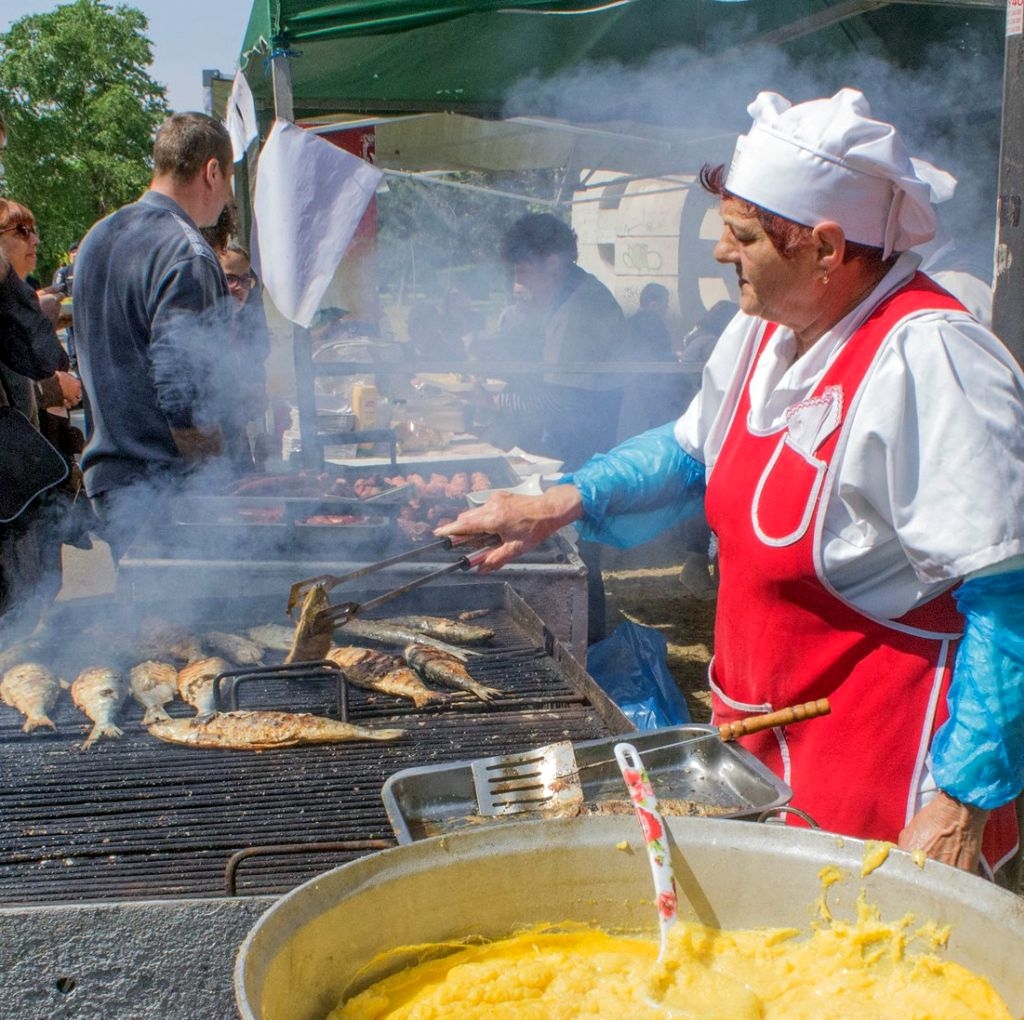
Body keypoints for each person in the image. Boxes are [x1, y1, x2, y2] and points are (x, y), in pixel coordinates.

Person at [438, 88, 1024, 876]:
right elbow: (690, 450)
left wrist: (959, 801)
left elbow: (1009, 595)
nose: (721, 253)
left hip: (887, 764)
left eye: (742, 236)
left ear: (824, 247)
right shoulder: (761, 330)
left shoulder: (931, 359)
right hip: (762, 740)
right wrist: (560, 503)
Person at [74, 112, 236, 561]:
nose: (226, 199)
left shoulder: (97, 237)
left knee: (146, 627)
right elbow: (183, 396)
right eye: (228, 182)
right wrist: (219, 489)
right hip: (165, 497)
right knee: (184, 629)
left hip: (111, 483)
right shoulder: (187, 252)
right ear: (212, 171)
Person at [0, 112, 78, 636]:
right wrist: (48, 390)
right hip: (10, 473)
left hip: (25, 475)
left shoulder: (14, 288)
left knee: (30, 601)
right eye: (18, 230)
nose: (31, 240)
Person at [218, 242, 270, 470]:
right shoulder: (198, 330)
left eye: (245, 280)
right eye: (230, 279)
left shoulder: (247, 331)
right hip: (206, 449)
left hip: (237, 444)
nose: (239, 288)